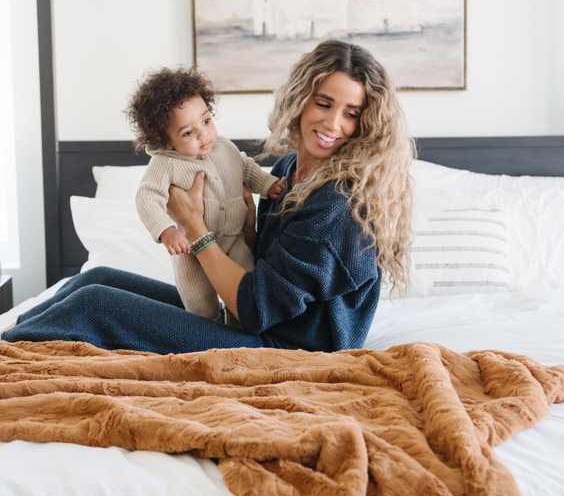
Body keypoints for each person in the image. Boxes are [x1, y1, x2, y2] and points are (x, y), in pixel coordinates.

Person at [2, 40, 415, 355]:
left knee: (94, 304)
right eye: (323, 103)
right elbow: (268, 274)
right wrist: (249, 231)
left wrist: (195, 228)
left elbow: (255, 306)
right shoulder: (289, 170)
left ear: (367, 121)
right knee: (95, 279)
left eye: (351, 112)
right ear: (300, 100)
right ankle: (10, 340)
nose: (333, 123)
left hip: (286, 353)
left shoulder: (338, 204)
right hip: (254, 324)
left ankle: (8, 356)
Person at [125, 66, 285, 324]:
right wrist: (167, 231)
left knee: (244, 298)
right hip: (191, 251)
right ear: (166, 142)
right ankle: (207, 335)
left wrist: (268, 185)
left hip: (234, 240)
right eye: (188, 132)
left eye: (206, 120)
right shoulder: (166, 163)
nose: (204, 134)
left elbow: (245, 168)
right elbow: (147, 198)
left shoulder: (225, 147)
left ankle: (238, 338)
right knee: (200, 305)